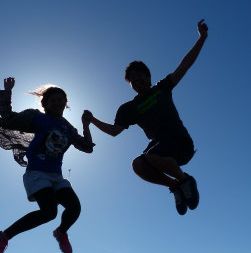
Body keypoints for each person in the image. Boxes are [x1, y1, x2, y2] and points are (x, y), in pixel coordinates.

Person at [83, 19, 208, 216]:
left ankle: (186, 180)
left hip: (180, 142)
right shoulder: (129, 108)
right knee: (138, 165)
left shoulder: (162, 88)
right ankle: (176, 185)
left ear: (148, 77)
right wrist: (93, 120)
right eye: (132, 79)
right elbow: (115, 132)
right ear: (130, 85)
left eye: (140, 75)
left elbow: (184, 65)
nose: (137, 80)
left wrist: (201, 38)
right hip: (161, 149)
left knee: (151, 155)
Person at [0, 78, 94, 253]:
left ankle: (61, 232)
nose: (57, 103)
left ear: (66, 103)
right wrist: (7, 91)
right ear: (45, 104)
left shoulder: (69, 129)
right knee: (49, 212)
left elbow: (87, 147)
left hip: (56, 177)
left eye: (60, 99)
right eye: (52, 100)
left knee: (74, 207)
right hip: (37, 173)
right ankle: (2, 237)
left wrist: (86, 125)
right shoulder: (37, 118)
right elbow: (8, 117)